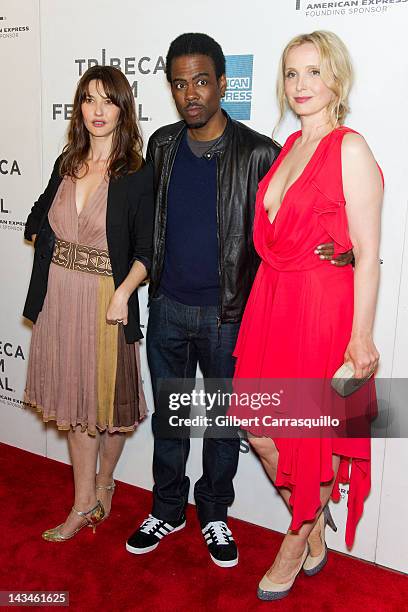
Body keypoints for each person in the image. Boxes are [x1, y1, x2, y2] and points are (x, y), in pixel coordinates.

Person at [125, 32, 351, 567]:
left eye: (202, 80)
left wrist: (342, 252)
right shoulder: (162, 146)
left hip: (231, 316)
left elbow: (301, 217)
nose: (191, 94)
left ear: (224, 83)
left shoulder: (259, 154)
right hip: (169, 310)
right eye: (180, 84)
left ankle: (215, 513)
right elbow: (142, 223)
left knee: (227, 424)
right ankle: (167, 507)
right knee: (172, 419)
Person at [230, 30, 383, 599]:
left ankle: (295, 543)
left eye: (314, 72)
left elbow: (367, 255)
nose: (301, 85)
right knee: (260, 428)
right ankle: (315, 528)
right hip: (271, 305)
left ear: (336, 78)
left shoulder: (351, 149)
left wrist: (360, 340)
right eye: (292, 74)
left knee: (310, 437)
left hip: (321, 311)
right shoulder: (290, 146)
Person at [23, 65, 154, 541]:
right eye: (88, 99)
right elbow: (36, 218)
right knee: (77, 406)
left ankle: (105, 482)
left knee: (110, 407)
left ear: (123, 109)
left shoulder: (136, 173)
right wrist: (54, 246)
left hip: (106, 302)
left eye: (108, 100)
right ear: (79, 109)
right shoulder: (68, 162)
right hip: (61, 297)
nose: (97, 110)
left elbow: (149, 249)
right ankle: (82, 505)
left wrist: (122, 290)